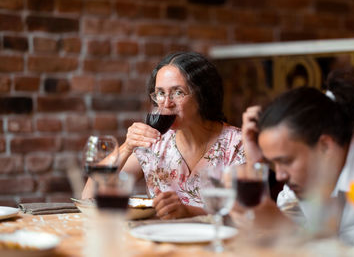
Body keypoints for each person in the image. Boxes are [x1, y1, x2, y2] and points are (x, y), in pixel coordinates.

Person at [242, 70, 354, 249]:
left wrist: (286, 227)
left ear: (325, 146)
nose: (279, 176)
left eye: (286, 161)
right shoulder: (297, 186)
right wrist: (255, 167)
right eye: (273, 163)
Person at [82, 52, 245, 219]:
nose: (167, 103)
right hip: (159, 241)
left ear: (204, 96)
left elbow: (248, 213)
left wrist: (189, 212)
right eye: (160, 93)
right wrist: (127, 147)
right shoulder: (155, 143)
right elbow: (89, 196)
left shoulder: (238, 144)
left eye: (178, 92)